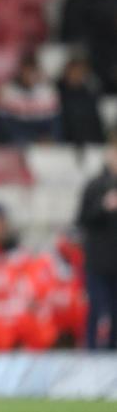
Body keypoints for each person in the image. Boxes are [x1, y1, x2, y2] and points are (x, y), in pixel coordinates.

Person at [76, 138, 117, 349]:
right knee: (97, 310)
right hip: (99, 264)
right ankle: (92, 354)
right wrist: (103, 206)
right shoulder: (95, 185)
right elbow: (81, 219)